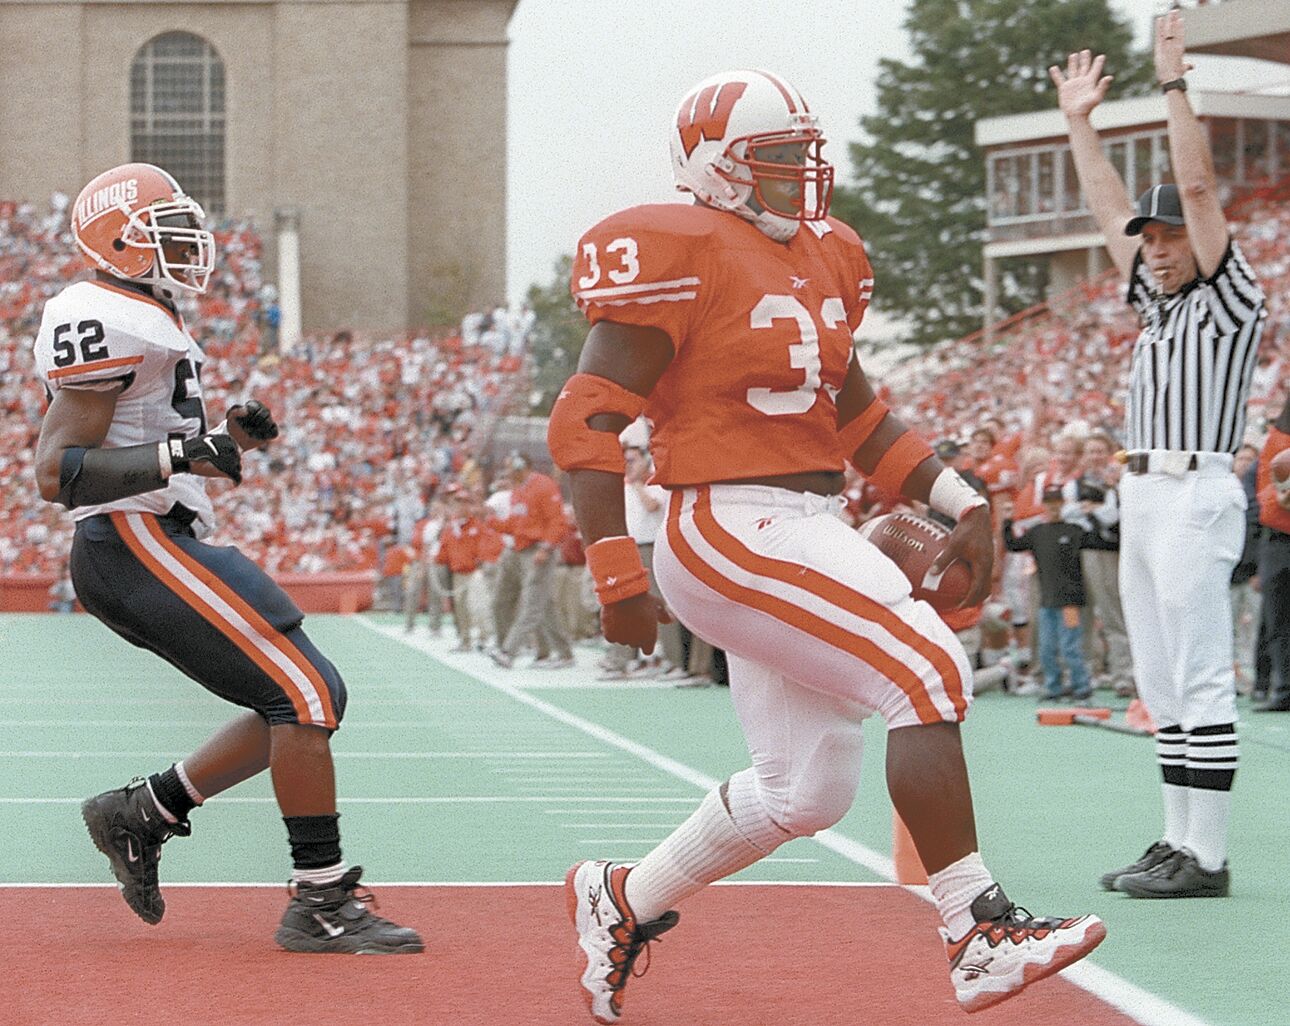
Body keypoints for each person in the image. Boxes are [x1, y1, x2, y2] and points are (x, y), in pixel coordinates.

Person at [550, 69, 1104, 1023]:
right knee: (925, 666)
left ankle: (622, 899)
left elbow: (855, 413)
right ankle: (977, 931)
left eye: (803, 155)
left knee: (804, 790)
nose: (798, 177)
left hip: (803, 520)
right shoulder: (678, 248)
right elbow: (587, 422)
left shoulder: (827, 255)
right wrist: (614, 567)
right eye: (772, 158)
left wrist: (956, 494)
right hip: (724, 520)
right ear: (715, 170)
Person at [32, 163, 422, 953]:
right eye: (165, 230)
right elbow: (57, 473)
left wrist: (221, 445)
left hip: (157, 535)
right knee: (305, 693)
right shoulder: (101, 312)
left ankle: (145, 810)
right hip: (131, 539)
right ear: (121, 240)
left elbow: (149, 442)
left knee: (312, 694)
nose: (187, 244)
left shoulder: (149, 311)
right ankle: (319, 898)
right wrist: (186, 453)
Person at [1053, 13, 1266, 899]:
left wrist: (1174, 82)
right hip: (1144, 491)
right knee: (1158, 673)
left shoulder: (1227, 294)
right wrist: (1078, 125)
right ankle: (1178, 838)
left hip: (1195, 485)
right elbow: (1109, 206)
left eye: (1167, 235)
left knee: (1198, 664)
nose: (1155, 246)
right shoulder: (1159, 299)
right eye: (1152, 237)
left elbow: (1201, 187)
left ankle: (1209, 857)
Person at [1003, 485, 1112, 702]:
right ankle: (1053, 687)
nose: (1053, 507)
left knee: (1070, 646)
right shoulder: (1037, 533)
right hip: (1048, 601)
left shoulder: (1074, 531)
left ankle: (1081, 686)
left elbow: (1099, 539)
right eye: (1049, 503)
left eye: (1057, 503)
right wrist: (1007, 522)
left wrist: (1092, 516)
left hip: (1070, 601)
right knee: (1046, 648)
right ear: (1044, 505)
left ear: (1063, 504)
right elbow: (1013, 545)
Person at [1252, 394, 1290, 712]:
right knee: (1277, 620)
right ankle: (1284, 688)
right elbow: (1266, 502)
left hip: (1278, 539)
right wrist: (1280, 497)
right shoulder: (1276, 441)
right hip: (1278, 539)